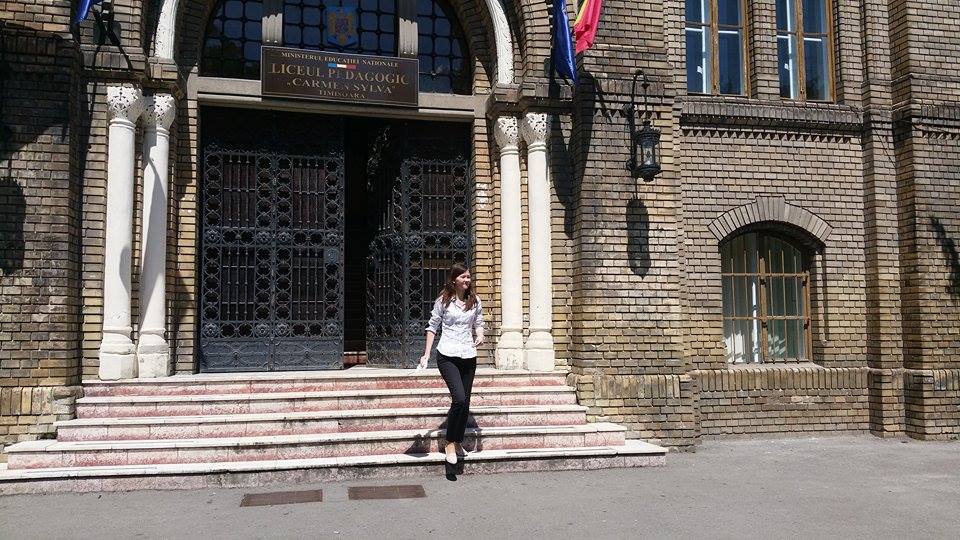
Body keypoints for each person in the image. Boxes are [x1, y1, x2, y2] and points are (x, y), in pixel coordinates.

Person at [420, 263, 485, 465]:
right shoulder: (443, 301)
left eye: (468, 277)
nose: (467, 280)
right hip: (447, 355)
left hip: (468, 355)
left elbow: (479, 323)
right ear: (454, 280)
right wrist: (426, 354)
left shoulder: (475, 301)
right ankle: (450, 442)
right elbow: (432, 327)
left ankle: (457, 441)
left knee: (465, 403)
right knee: (459, 399)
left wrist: (480, 335)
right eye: (463, 277)